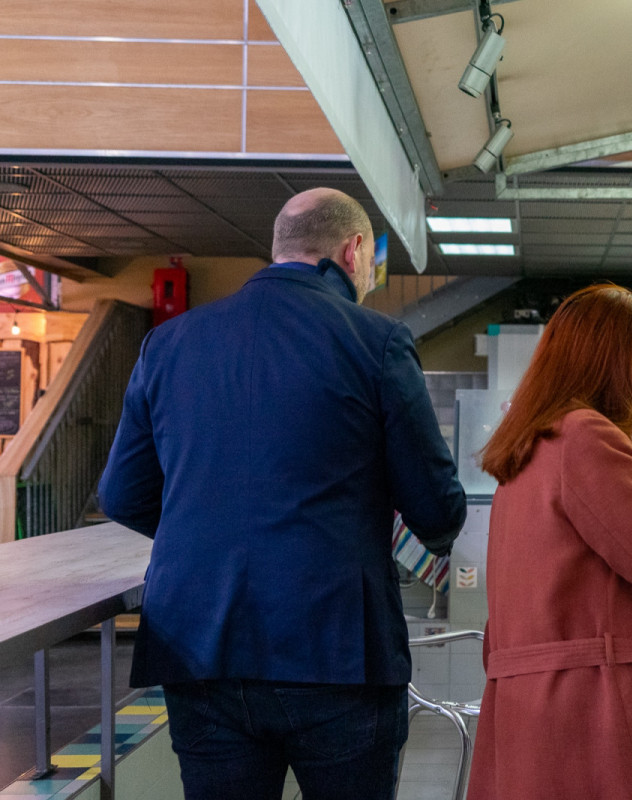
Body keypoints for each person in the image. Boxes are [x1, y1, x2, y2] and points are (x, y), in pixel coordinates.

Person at [98, 188, 467, 800]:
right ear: (353, 251)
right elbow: (435, 510)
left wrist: (212, 532)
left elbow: (123, 494)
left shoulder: (168, 343)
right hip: (337, 652)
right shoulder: (376, 340)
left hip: (199, 650)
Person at [468, 285, 632, 800]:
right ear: (620, 365)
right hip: (603, 717)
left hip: (531, 714)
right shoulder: (589, 436)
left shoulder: (527, 445)